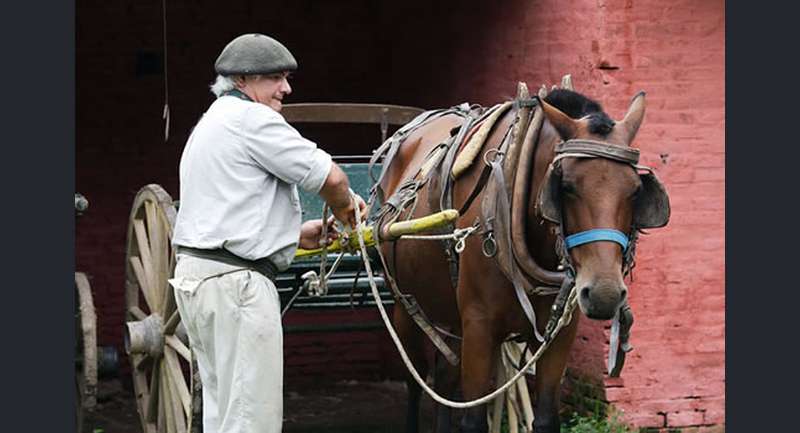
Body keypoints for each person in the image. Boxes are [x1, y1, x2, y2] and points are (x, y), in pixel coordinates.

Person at [169, 33, 366, 433]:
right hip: (237, 288)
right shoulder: (252, 119)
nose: (286, 88)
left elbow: (228, 214)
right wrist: (346, 208)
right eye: (275, 77)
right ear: (241, 79)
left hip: (201, 281)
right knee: (251, 421)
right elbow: (330, 176)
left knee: (225, 416)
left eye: (286, 77)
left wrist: (295, 236)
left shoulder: (211, 123)